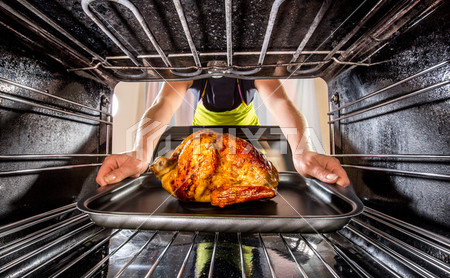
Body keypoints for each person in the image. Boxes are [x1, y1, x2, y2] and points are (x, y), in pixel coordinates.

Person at [96, 78, 350, 187]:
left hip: (245, 134)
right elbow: (163, 103)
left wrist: (302, 150)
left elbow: (280, 102)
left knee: (247, 178)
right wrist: (141, 154)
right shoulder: (187, 63)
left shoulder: (255, 63)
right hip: (201, 134)